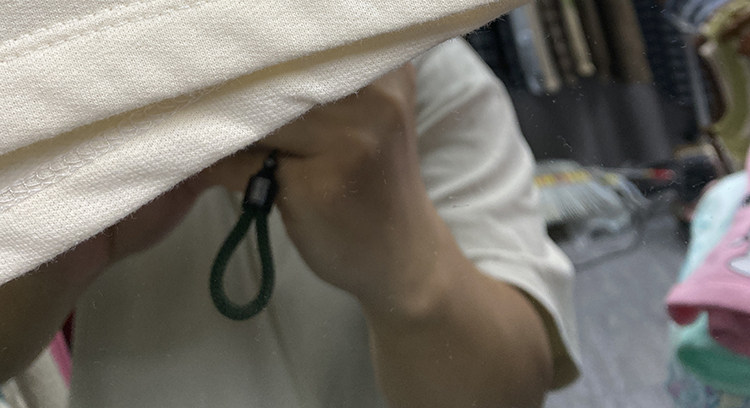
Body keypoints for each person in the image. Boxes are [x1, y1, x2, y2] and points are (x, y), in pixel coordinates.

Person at [0, 38, 579, 407]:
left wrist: (406, 266)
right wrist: (61, 253)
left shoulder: (416, 67)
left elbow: (514, 389)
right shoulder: (53, 77)